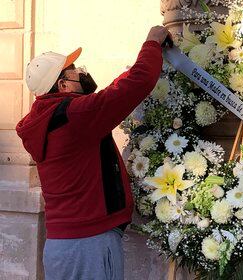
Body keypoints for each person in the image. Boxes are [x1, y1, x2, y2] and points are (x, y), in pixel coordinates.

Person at [16, 26, 171, 280]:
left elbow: (108, 96)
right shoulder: (75, 115)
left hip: (61, 245)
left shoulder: (46, 117)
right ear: (63, 84)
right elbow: (137, 84)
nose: (81, 71)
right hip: (89, 245)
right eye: (74, 69)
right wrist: (152, 42)